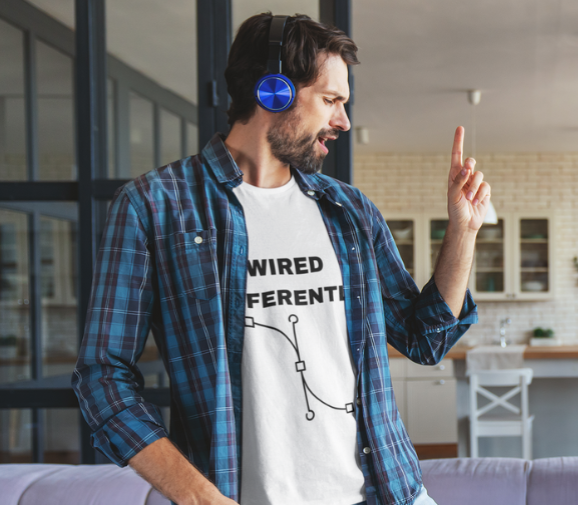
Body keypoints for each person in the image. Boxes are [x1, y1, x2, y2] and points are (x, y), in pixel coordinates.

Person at [73, 13, 490, 505]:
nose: (344, 121)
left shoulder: (349, 210)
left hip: (389, 492)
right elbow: (103, 377)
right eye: (331, 100)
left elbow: (425, 340)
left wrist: (463, 231)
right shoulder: (154, 206)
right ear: (274, 91)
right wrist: (198, 496)